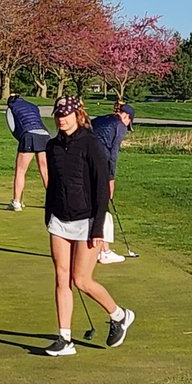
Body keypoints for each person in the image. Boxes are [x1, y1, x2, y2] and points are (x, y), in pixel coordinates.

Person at [42, 96, 135, 357]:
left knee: (80, 279)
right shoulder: (53, 147)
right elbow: (54, 185)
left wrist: (97, 229)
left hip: (88, 220)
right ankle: (64, 339)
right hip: (59, 220)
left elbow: (102, 191)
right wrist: (48, 216)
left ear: (77, 115)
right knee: (61, 278)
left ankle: (119, 315)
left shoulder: (91, 143)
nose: (62, 118)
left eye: (67, 114)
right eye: (58, 114)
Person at [91, 101, 135, 265]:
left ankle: (94, 249)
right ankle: (105, 252)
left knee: (92, 206)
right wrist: (111, 179)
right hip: (100, 165)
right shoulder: (120, 125)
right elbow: (113, 155)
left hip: (83, 163)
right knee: (103, 208)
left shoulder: (99, 120)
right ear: (126, 116)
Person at [5, 93, 50, 211]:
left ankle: (16, 202)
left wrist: (22, 139)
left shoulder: (11, 108)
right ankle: (52, 202)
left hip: (29, 135)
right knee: (45, 171)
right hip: (44, 135)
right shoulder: (33, 106)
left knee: (20, 171)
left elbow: (13, 127)